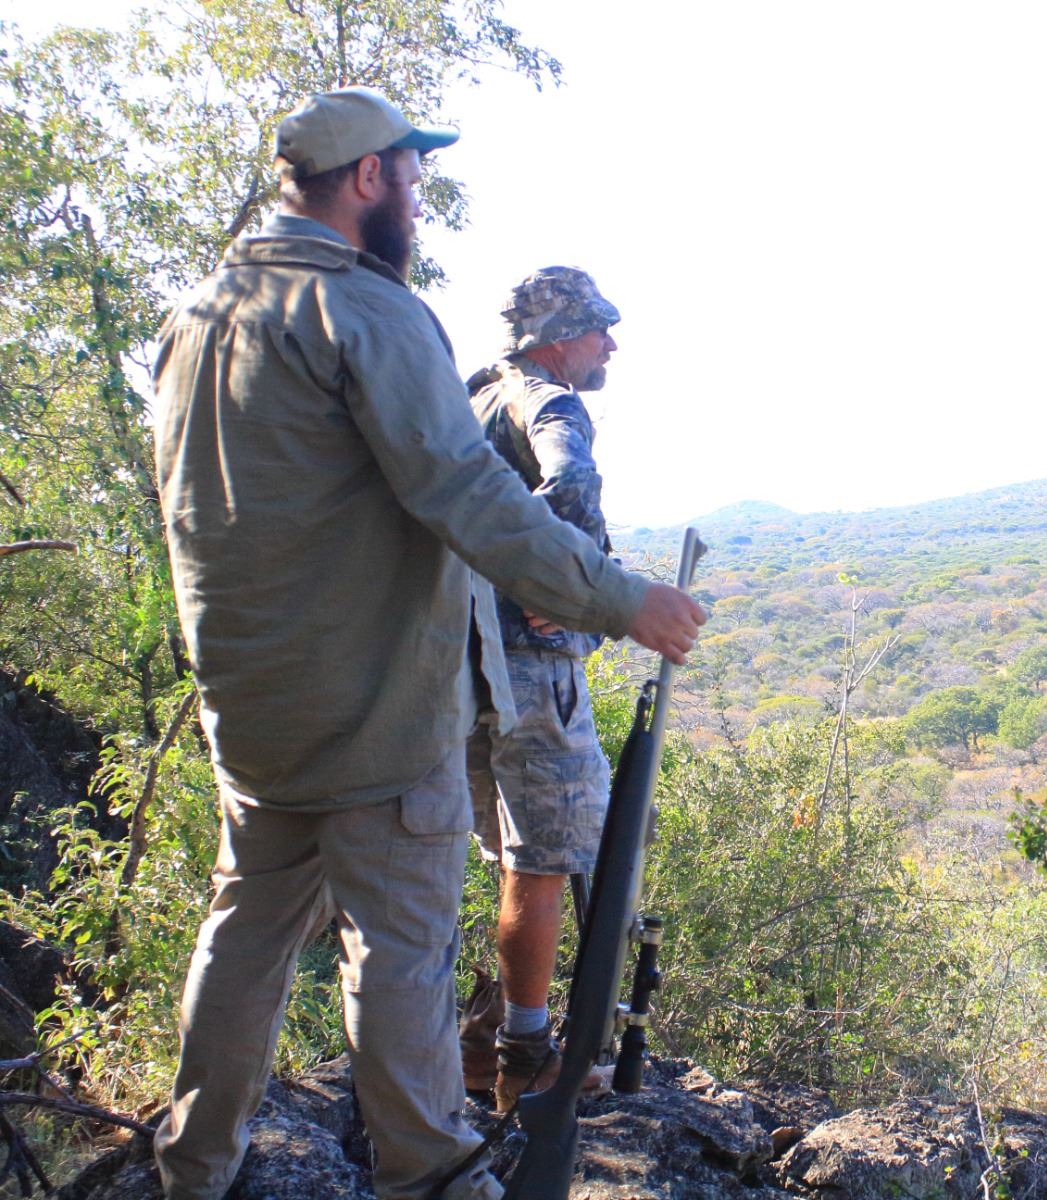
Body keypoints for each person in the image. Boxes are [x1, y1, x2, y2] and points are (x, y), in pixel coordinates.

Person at [149, 87, 705, 1200]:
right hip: (377, 708)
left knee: (243, 939)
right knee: (402, 954)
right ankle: (437, 1178)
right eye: (408, 174)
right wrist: (618, 597)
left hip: (249, 713)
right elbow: (466, 495)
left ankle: (192, 1168)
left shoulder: (197, 316)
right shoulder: (367, 311)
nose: (415, 195)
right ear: (368, 177)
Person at [456, 267, 627, 1111]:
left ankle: (482, 1040)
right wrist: (568, 584)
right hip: (529, 664)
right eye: (598, 328)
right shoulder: (550, 402)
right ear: (560, 337)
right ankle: (525, 1053)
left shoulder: (472, 400)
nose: (610, 345)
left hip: (456, 659)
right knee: (544, 860)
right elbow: (570, 485)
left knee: (506, 860)